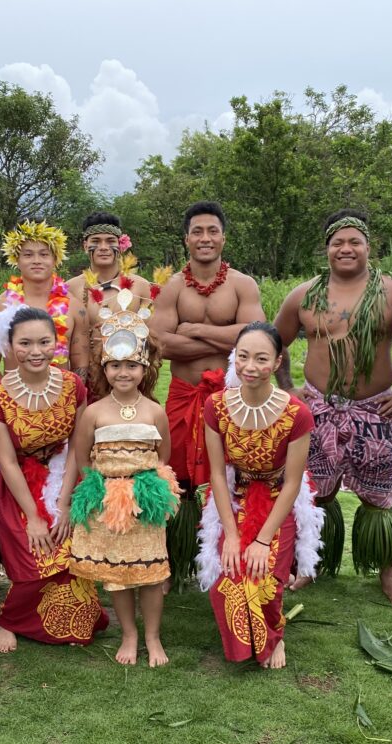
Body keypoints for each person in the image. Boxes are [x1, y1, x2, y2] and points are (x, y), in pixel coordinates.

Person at [274, 209, 392, 610]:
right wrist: (288, 388)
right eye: (338, 242)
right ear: (327, 250)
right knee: (314, 493)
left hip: (375, 413)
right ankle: (310, 562)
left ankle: (388, 576)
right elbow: (275, 342)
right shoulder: (304, 295)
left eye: (354, 241)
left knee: (380, 499)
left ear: (368, 246)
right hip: (319, 409)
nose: (346, 248)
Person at [0, 221, 91, 599]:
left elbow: (81, 363)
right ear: (15, 259)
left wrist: (66, 409)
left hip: (59, 411)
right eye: (28, 253)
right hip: (10, 412)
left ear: (56, 259)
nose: (36, 260)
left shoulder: (74, 308)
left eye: (44, 253)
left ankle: (69, 565)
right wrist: (7, 407)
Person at [0, 306, 108, 653]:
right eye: (26, 343)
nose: (36, 351)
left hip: (64, 474)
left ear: (56, 344)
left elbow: (79, 447)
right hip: (17, 485)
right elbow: (7, 462)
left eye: (44, 342)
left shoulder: (72, 385)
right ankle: (8, 619)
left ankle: (48, 614)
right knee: (35, 552)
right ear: (10, 346)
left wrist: (64, 503)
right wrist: (33, 516)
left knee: (67, 553)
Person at [149, 201, 265, 589]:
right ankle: (172, 560)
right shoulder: (173, 288)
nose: (205, 238)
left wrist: (194, 331)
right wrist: (224, 342)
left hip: (232, 396)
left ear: (223, 237)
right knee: (176, 476)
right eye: (197, 231)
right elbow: (160, 345)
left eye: (212, 231)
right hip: (183, 396)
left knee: (233, 475)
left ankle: (228, 559)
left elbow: (254, 337)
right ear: (186, 239)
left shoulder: (242, 284)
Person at [64, 289, 180, 667]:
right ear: (104, 368)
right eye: (115, 366)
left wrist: (146, 487)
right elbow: (83, 459)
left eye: (131, 365)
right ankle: (129, 634)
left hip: (146, 502)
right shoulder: (94, 413)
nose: (123, 373)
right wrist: (102, 492)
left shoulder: (154, 412)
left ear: (145, 368)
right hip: (109, 502)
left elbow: (163, 457)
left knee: (149, 571)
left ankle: (153, 636)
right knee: (118, 573)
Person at [197, 323, 321, 669]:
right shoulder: (215, 406)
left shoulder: (297, 414)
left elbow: (294, 481)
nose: (250, 367)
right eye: (243, 356)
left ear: (278, 361)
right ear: (234, 357)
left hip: (279, 498)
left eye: (261, 358)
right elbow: (218, 476)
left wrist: (263, 540)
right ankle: (246, 640)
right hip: (233, 497)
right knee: (229, 578)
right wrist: (233, 537)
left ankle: (274, 635)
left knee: (263, 577)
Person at [65, 211, 154, 397]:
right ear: (85, 245)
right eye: (95, 241)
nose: (103, 247)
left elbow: (154, 339)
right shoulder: (70, 288)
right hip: (86, 379)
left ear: (121, 245)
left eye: (110, 241)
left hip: (128, 379)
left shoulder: (141, 287)